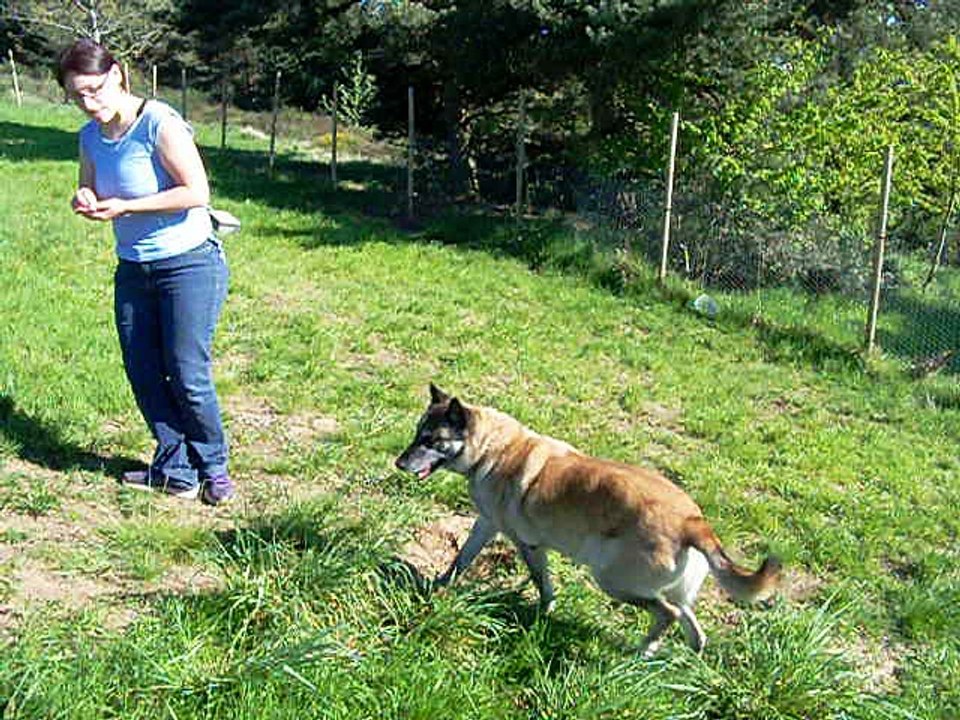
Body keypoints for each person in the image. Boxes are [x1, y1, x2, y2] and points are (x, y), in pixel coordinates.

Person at [57, 38, 233, 505]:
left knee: (187, 371)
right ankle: (176, 469)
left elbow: (196, 192)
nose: (88, 103)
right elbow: (90, 186)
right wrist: (85, 199)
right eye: (76, 95)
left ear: (116, 75)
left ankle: (214, 466)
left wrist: (128, 207)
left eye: (94, 90)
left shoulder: (159, 123)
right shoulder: (90, 137)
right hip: (134, 267)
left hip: (189, 263)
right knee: (144, 371)